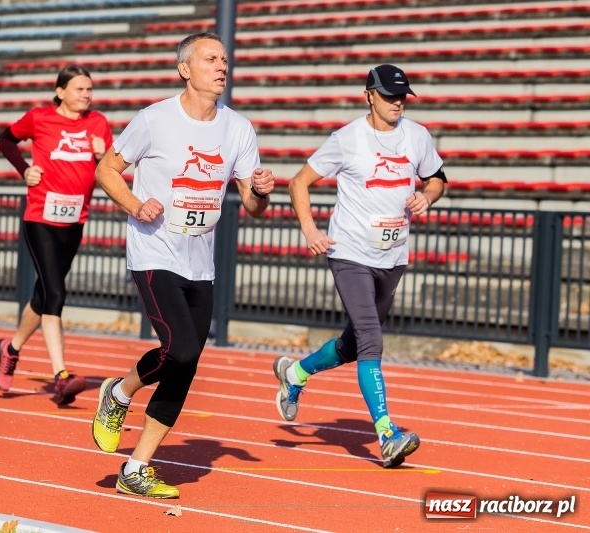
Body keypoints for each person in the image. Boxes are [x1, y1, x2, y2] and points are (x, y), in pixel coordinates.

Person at [91, 32, 275, 498]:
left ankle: (136, 468)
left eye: (225, 59)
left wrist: (261, 189)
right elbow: (106, 170)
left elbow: (254, 208)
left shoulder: (238, 129)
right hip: (155, 252)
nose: (222, 66)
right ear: (185, 69)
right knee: (181, 348)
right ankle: (120, 392)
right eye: (211, 58)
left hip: (201, 262)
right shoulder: (154, 119)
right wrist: (135, 205)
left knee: (185, 365)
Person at [273, 64, 447, 468]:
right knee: (371, 339)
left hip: (393, 255)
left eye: (402, 95)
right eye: (389, 95)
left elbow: (437, 177)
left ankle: (295, 373)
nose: (397, 102)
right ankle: (387, 434)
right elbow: (298, 182)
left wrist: (428, 197)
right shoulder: (347, 139)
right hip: (349, 252)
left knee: (354, 344)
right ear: (369, 95)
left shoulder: (417, 136)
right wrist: (310, 230)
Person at [0, 65, 112, 404]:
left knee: (44, 295)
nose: (86, 95)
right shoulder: (39, 118)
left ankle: (10, 347)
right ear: (60, 91)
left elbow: (111, 170)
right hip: (41, 217)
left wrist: (103, 156)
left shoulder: (98, 123)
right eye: (79, 89)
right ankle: (61, 375)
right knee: (56, 292)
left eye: (89, 89)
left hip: (75, 219)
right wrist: (24, 170)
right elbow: (5, 139)